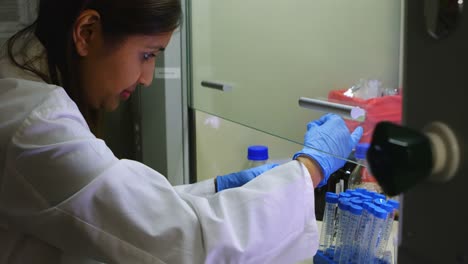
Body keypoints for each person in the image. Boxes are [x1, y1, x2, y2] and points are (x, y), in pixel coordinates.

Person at [0, 0, 363, 263]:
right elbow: (183, 242)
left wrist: (217, 189)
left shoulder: (26, 92)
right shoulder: (37, 126)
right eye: (147, 54)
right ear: (87, 32)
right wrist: (311, 166)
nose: (146, 78)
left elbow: (124, 209)